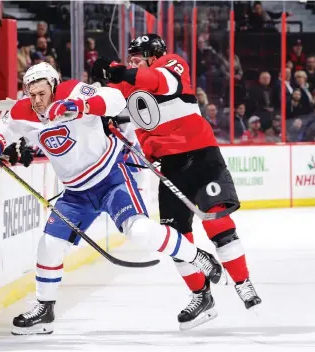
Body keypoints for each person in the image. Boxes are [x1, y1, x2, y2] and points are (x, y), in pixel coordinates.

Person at [0, 62, 225, 335]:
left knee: (139, 232)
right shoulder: (25, 110)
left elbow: (114, 99)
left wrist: (79, 107)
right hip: (75, 194)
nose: (36, 101)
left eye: (42, 93)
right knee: (49, 244)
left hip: (110, 178)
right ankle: (45, 309)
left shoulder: (72, 91)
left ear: (54, 86)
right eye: (31, 94)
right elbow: (5, 125)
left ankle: (198, 256)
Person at [92, 33, 262, 330]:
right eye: (131, 56)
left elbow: (161, 82)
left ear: (154, 53)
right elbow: (99, 102)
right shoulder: (126, 83)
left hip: (200, 154)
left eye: (139, 55)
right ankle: (201, 297)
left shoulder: (172, 63)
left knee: (216, 219)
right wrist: (99, 77)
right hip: (168, 165)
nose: (134, 60)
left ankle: (242, 282)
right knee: (176, 236)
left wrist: (118, 70)